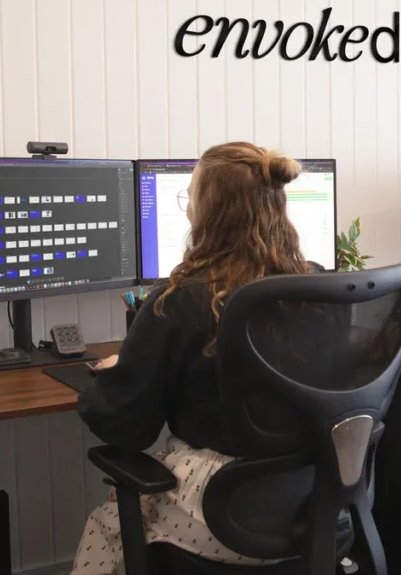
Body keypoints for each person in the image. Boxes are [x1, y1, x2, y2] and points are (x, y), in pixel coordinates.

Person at [71, 142, 315, 574]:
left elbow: (126, 426)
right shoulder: (317, 290)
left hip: (224, 513)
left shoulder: (179, 299)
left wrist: (112, 377)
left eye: (190, 198)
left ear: (208, 212)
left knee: (106, 525)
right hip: (319, 502)